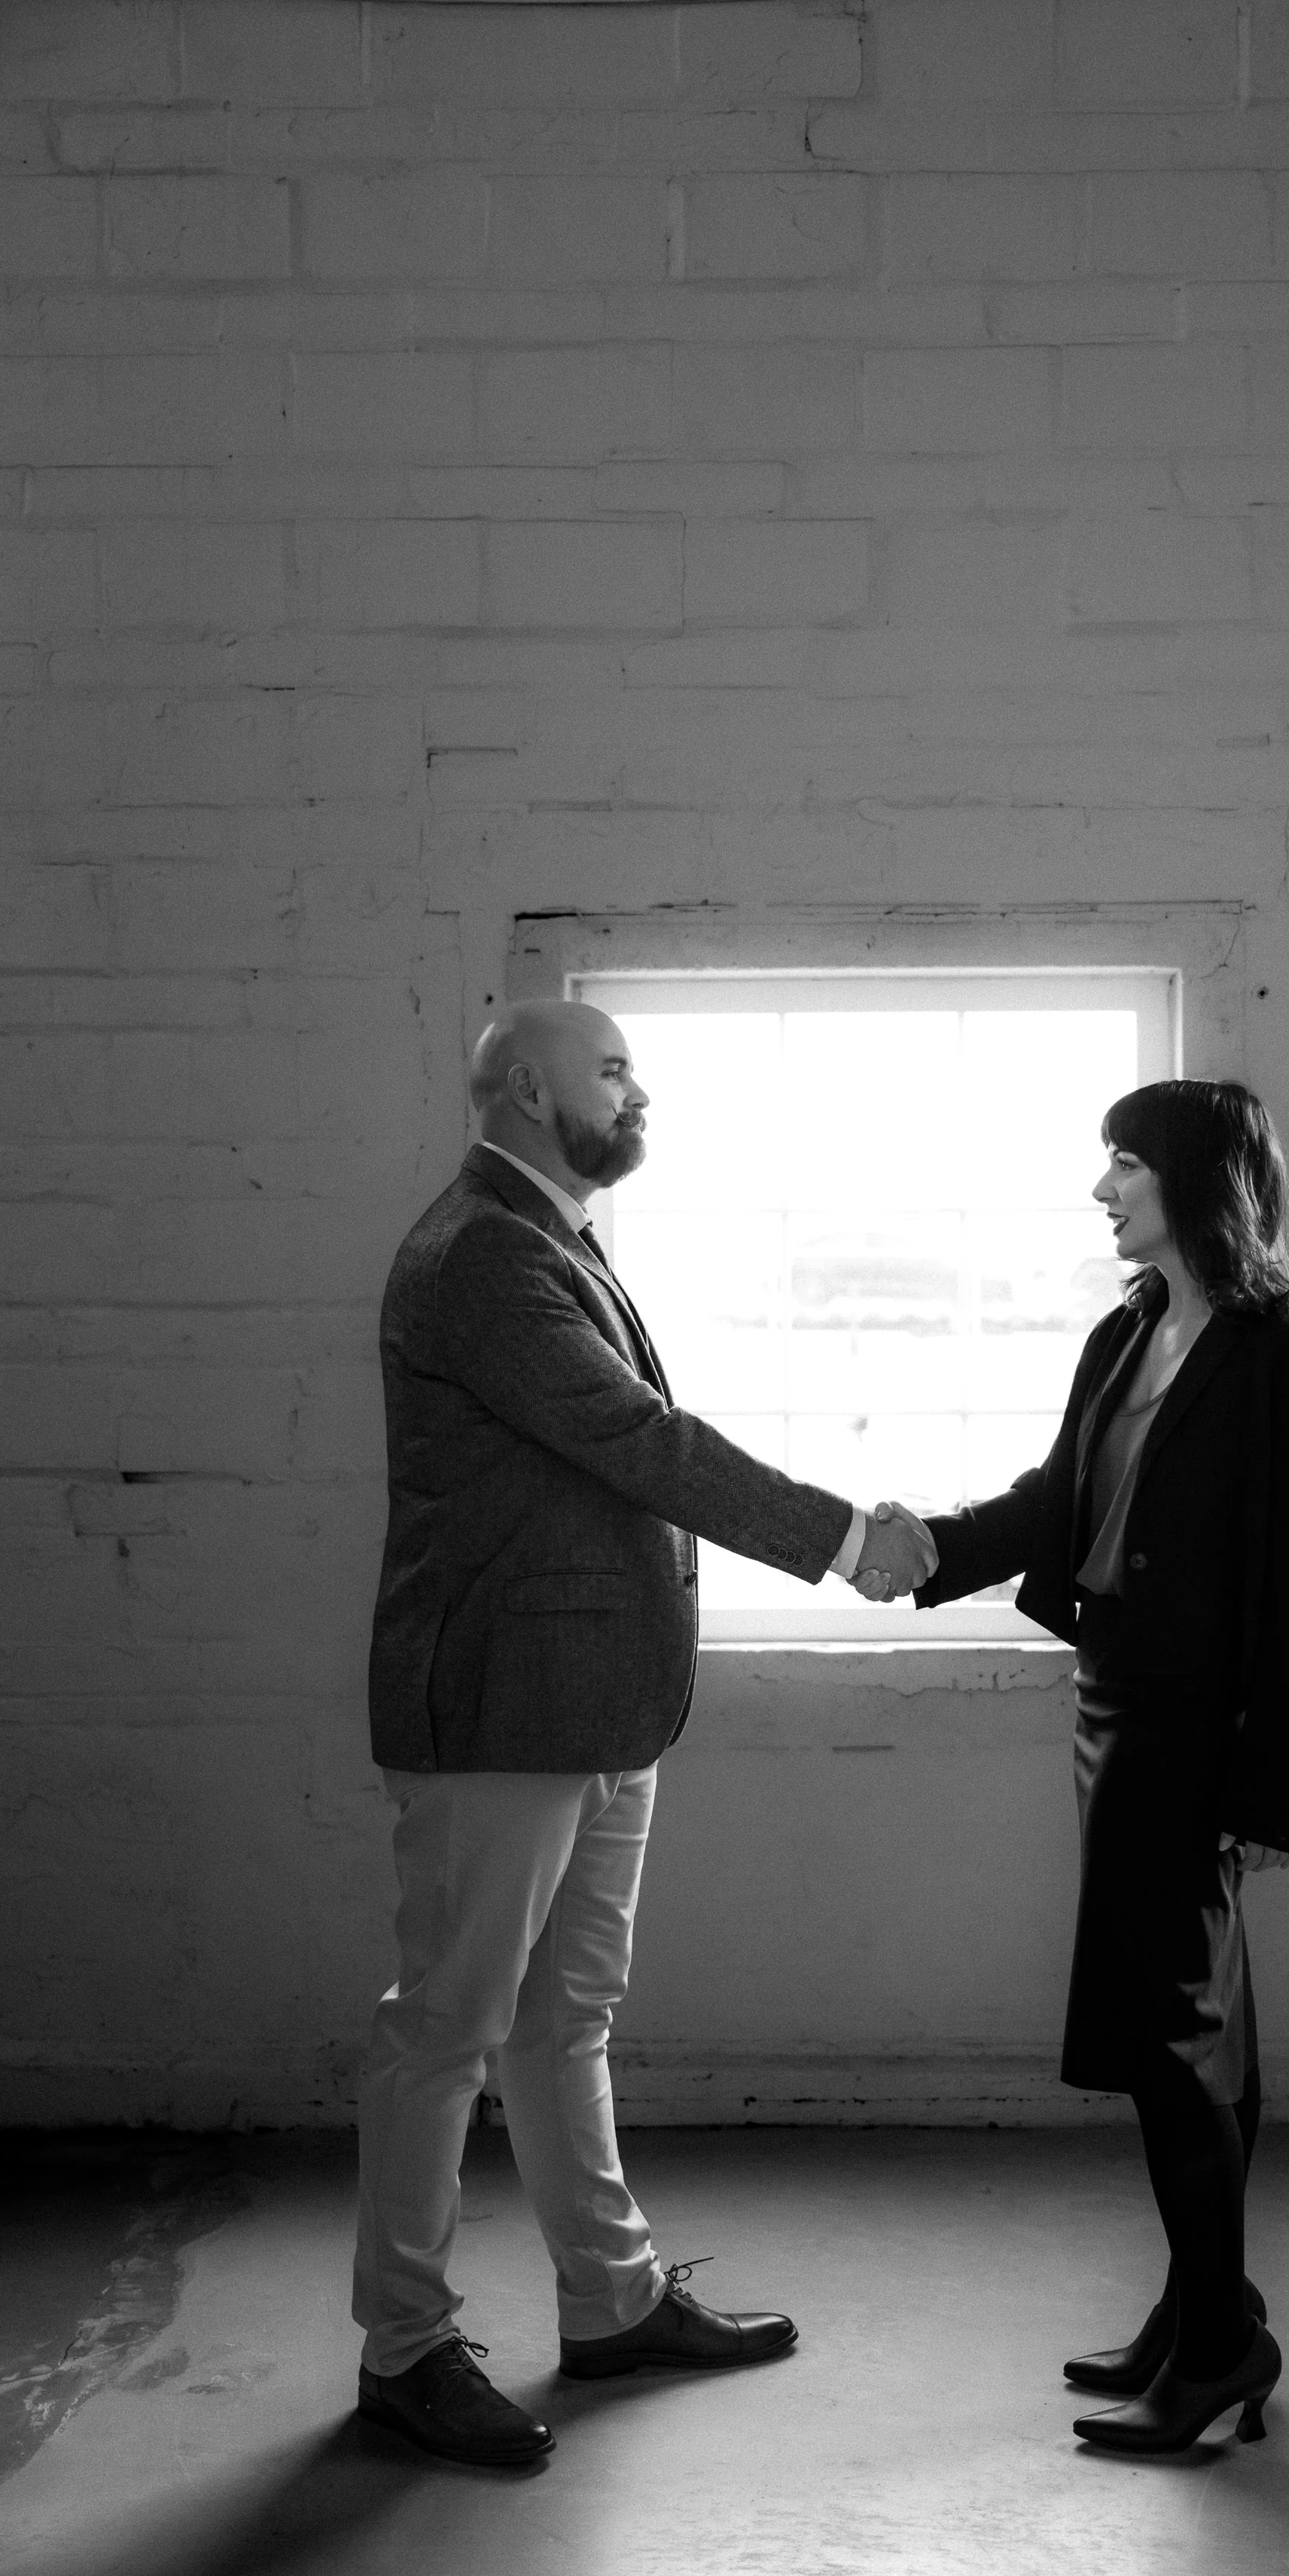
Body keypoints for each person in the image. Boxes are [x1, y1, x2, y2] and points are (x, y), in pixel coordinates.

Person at [356, 997, 934, 2468]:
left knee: (565, 2021)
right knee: (447, 2030)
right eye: (610, 1069)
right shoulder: (484, 1251)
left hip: (590, 1701)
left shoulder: (542, 1234)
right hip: (499, 1706)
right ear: (525, 1092)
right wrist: (839, 1537)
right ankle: (404, 2351)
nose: (639, 1092)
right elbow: (634, 1440)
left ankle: (609, 2305)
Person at [913, 1078, 1289, 2456]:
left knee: (1176, 2042)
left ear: (1194, 1180)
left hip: (1203, 1731)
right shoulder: (1130, 1328)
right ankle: (1201, 2306)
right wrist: (920, 1547)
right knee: (1205, 2020)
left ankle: (1220, 2346)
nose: (1102, 1190)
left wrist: (1268, 1787)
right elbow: (1061, 1502)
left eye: (1123, 1165)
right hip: (1115, 1703)